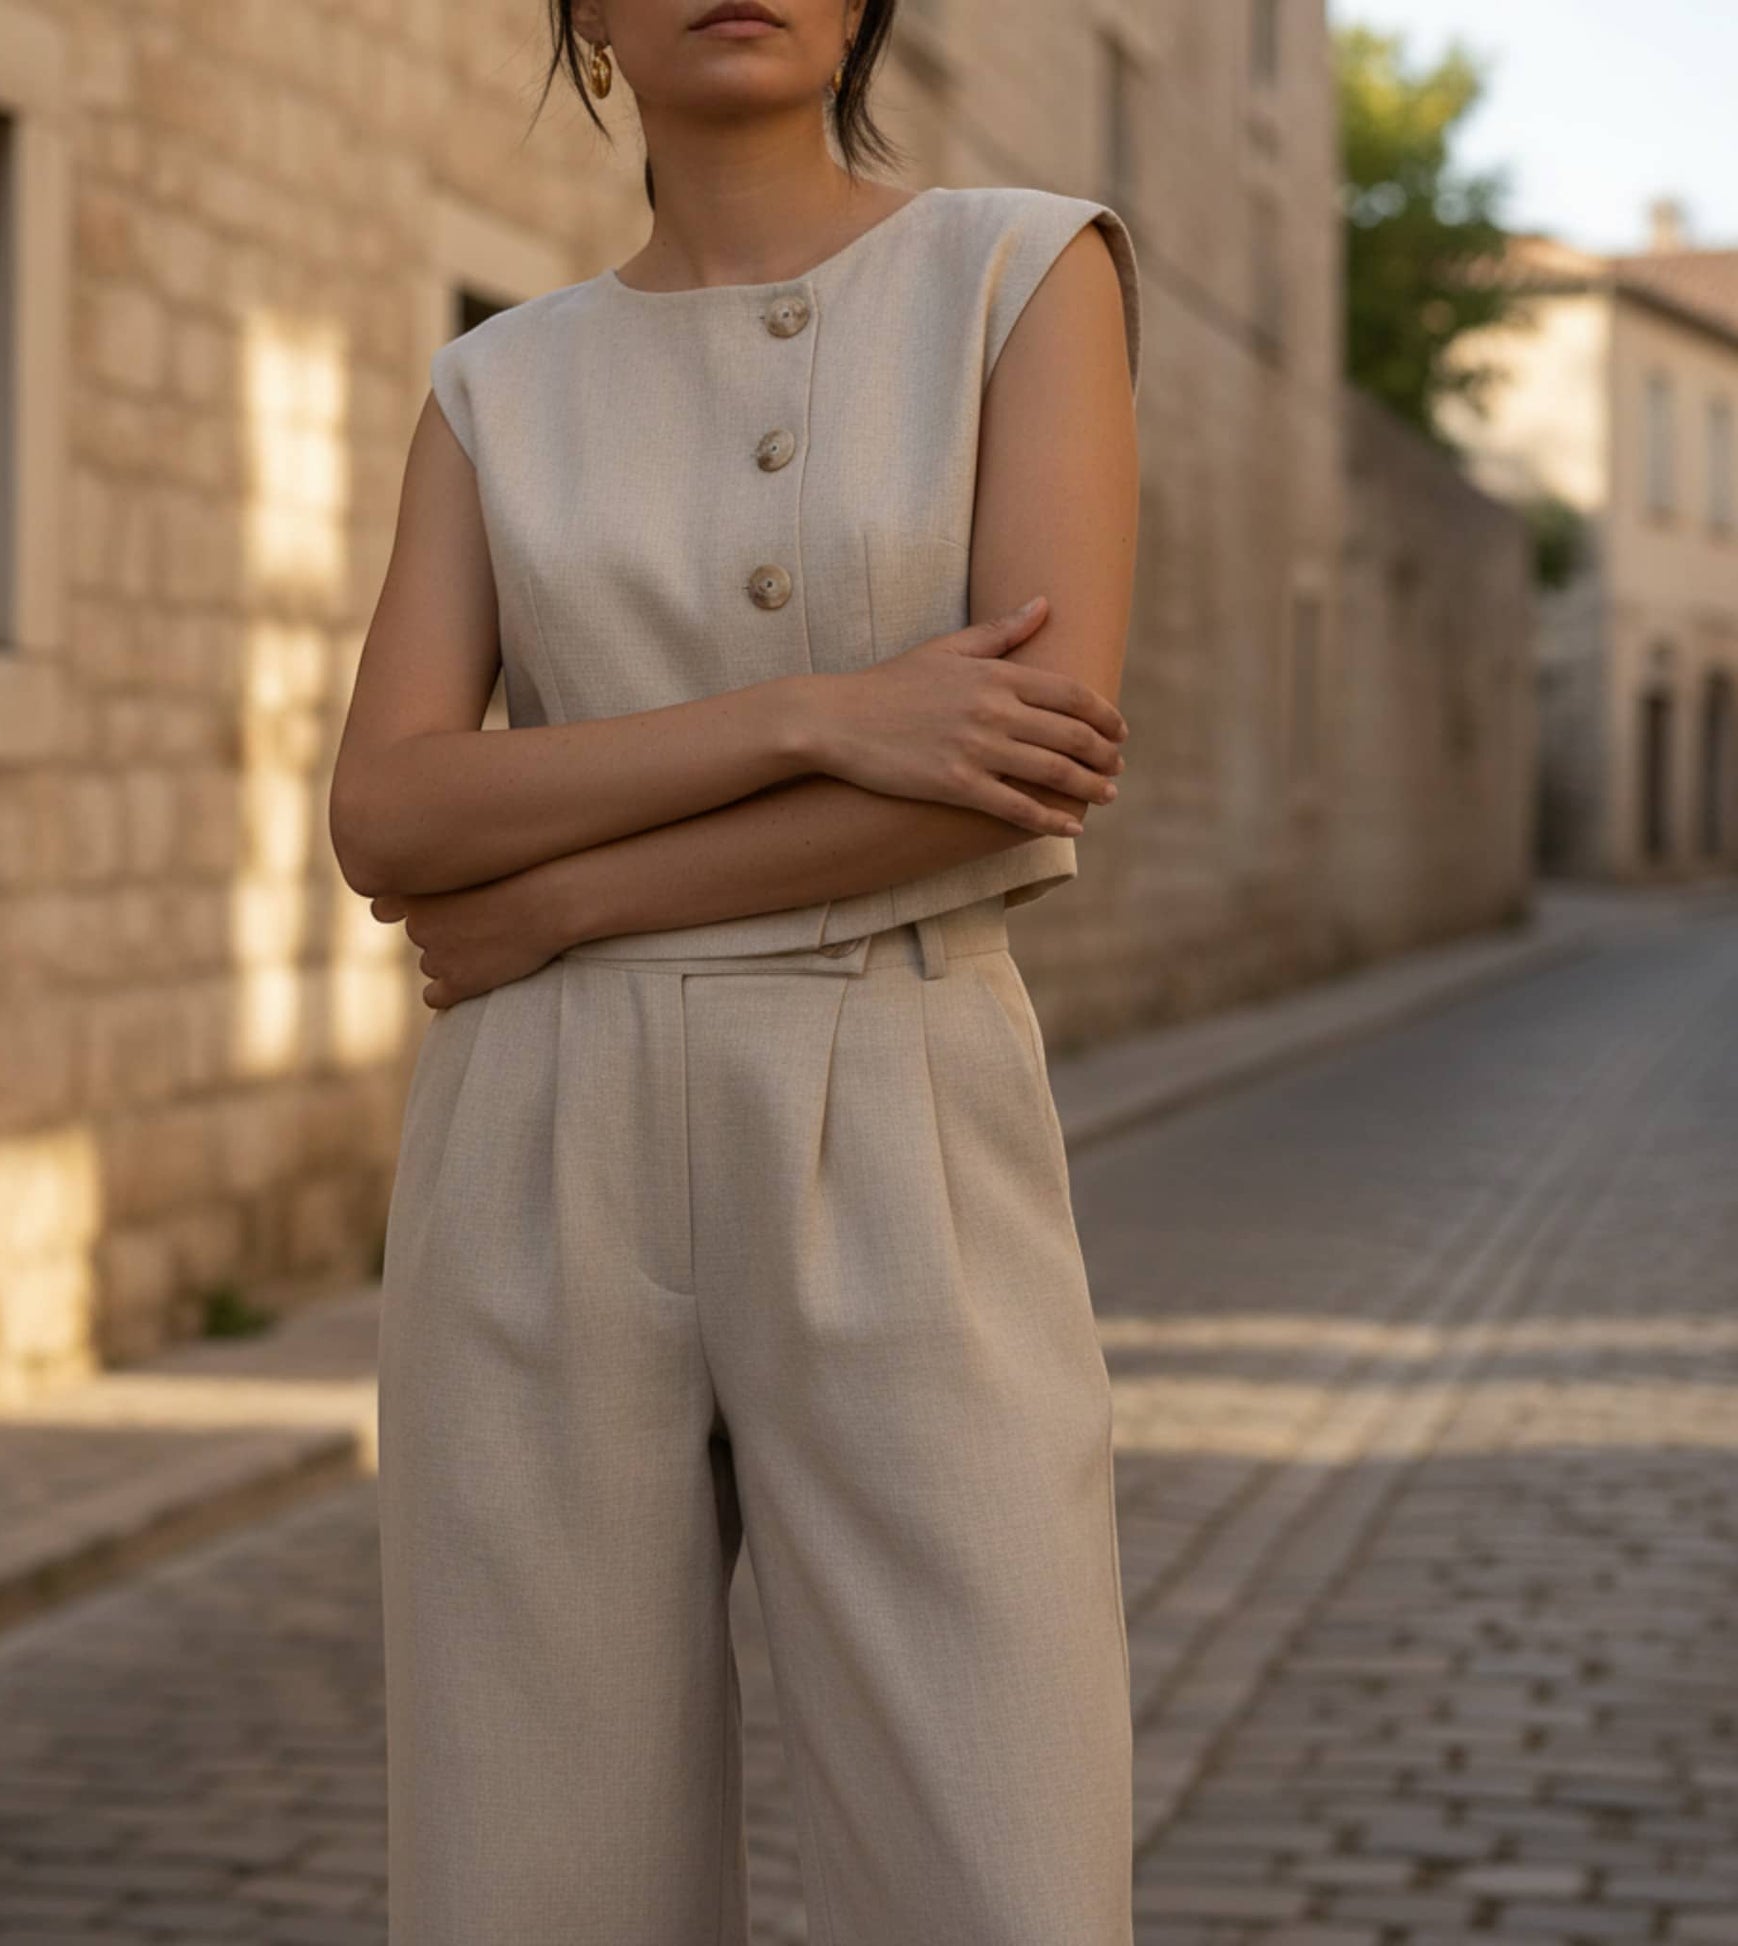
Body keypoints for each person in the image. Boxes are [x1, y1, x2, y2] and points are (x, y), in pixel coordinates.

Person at [329, 1, 1144, 1939]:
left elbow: (1022, 762)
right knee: (530, 1863)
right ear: (589, 18)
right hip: (536, 1144)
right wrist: (817, 715)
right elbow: (389, 812)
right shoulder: (496, 385)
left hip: (901, 1095)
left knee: (996, 1847)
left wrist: (564, 897)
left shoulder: (1022, 274)